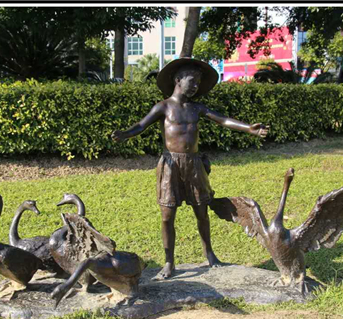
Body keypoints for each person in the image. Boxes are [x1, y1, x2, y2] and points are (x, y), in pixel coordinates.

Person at [112, 57, 268, 279]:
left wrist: (248, 128)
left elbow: (223, 120)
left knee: (201, 212)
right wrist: (125, 134)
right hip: (170, 165)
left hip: (194, 165)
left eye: (198, 82)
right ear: (178, 80)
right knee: (167, 216)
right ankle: (169, 262)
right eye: (192, 81)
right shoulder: (164, 107)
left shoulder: (197, 108)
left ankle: (210, 255)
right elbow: (141, 125)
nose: (195, 86)